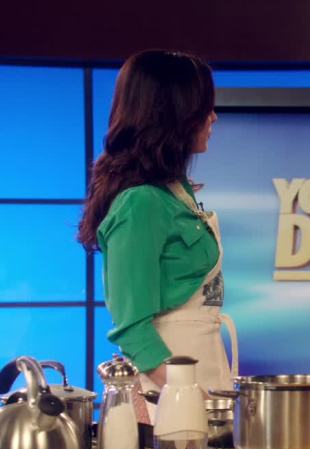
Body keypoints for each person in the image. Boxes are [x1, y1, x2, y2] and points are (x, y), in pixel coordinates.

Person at [78, 49, 236, 423]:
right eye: (204, 107)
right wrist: (187, 393)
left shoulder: (174, 193)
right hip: (168, 393)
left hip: (204, 374)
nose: (213, 117)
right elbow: (132, 328)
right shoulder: (140, 203)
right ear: (174, 114)